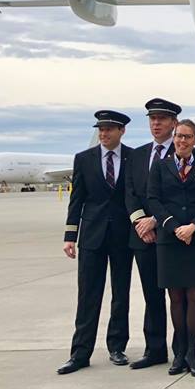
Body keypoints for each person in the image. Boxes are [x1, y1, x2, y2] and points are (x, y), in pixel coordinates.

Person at [58, 110, 134, 375]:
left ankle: (117, 346)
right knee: (88, 294)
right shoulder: (84, 159)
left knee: (121, 293)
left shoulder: (132, 157)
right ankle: (80, 352)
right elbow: (76, 199)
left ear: (121, 131)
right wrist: (70, 236)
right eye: (101, 129)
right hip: (92, 236)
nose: (103, 134)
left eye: (109, 129)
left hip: (122, 235)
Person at [148, 119, 195, 377]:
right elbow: (154, 199)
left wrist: (194, 226)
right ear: (173, 138)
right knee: (175, 297)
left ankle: (192, 353)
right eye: (179, 136)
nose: (182, 141)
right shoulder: (160, 166)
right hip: (170, 239)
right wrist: (174, 227)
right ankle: (179, 353)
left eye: (188, 137)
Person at [123, 98, 181, 370]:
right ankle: (155, 349)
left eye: (162, 119)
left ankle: (182, 350)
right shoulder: (137, 155)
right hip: (143, 237)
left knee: (178, 296)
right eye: (152, 119)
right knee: (151, 295)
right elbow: (130, 193)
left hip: (171, 234)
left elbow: (182, 196)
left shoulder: (183, 152)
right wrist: (140, 223)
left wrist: (156, 221)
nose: (156, 123)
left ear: (174, 123)